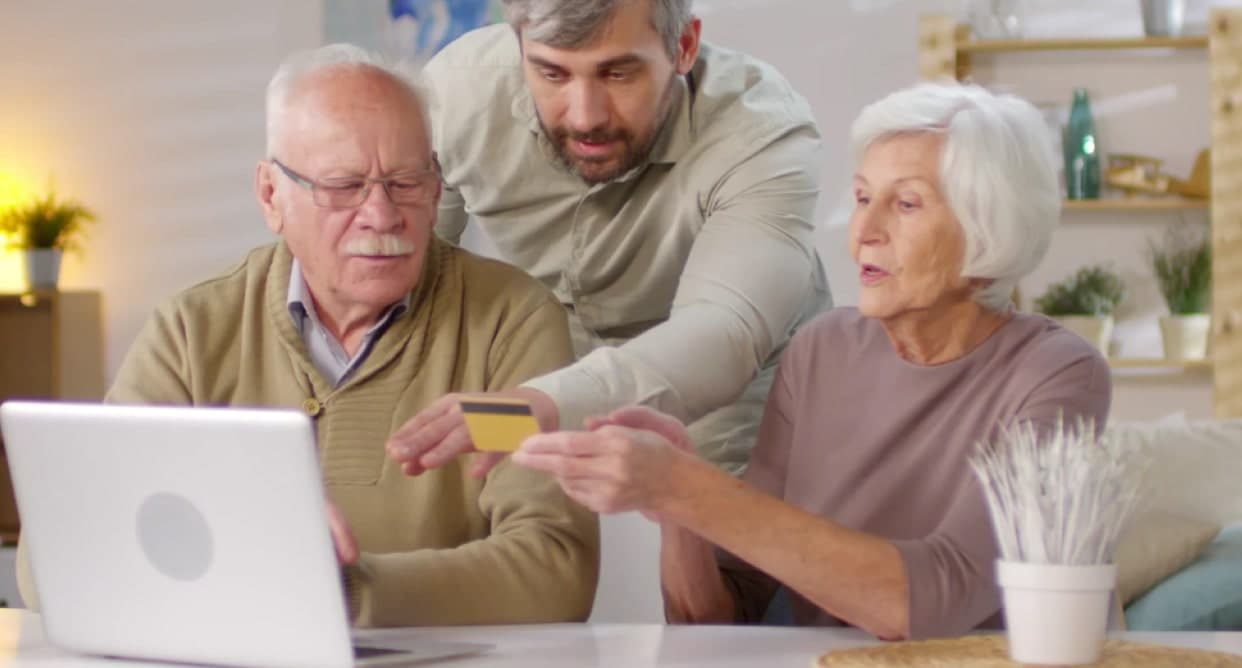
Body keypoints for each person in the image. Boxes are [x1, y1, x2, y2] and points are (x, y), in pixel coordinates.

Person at [15, 44, 599, 627]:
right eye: (344, 186)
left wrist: (340, 595)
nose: (381, 214)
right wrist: (261, 563)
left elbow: (554, 567)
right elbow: (57, 558)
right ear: (272, 196)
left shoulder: (509, 324)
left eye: (406, 182)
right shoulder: (194, 334)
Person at [511, 82, 1112, 640]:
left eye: (905, 205)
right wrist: (675, 506)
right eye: (861, 198)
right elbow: (719, 620)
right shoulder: (821, 350)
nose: (863, 232)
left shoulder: (1059, 373)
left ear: (990, 228)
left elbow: (933, 598)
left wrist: (687, 487)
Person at [387, 0, 830, 478]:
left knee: (707, 534)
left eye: (618, 74)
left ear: (683, 46)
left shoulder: (760, 132)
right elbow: (404, 272)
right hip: (546, 380)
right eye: (553, 74)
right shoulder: (458, 93)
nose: (585, 118)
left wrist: (534, 408)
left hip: (730, 395)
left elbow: (723, 335)